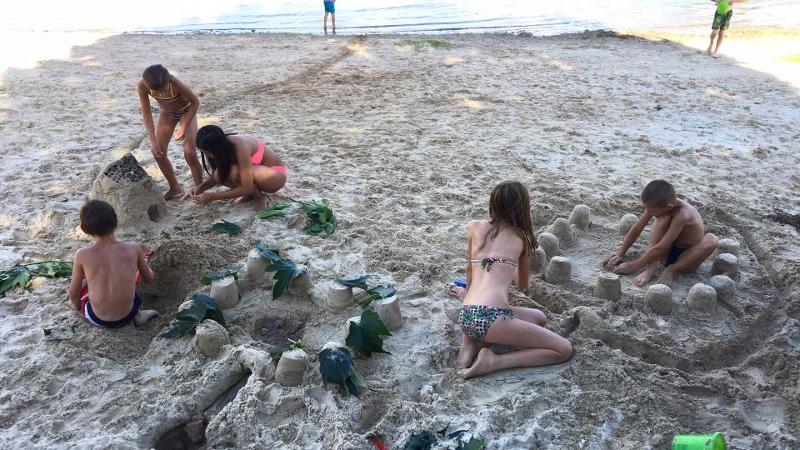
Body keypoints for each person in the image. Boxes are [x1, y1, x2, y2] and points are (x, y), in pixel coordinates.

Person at [456, 181, 573, 379]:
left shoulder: (474, 227)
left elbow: (470, 271)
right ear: (522, 210)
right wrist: (507, 265)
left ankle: (471, 344)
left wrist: (466, 293)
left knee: (538, 317)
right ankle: (495, 362)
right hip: (492, 317)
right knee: (564, 349)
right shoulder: (522, 238)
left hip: (466, 315)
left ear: (493, 204)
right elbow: (522, 285)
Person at [606, 180, 718, 286]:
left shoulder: (683, 214)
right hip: (664, 254)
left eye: (652, 211)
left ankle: (672, 270)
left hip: (686, 259)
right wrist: (621, 253)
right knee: (662, 219)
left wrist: (633, 266)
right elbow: (637, 228)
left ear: (669, 207)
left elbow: (661, 247)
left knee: (711, 239)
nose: (649, 213)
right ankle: (651, 267)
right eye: (646, 209)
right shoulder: (658, 205)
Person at [68, 200, 158, 328]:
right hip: (128, 315)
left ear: (84, 229)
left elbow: (73, 293)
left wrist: (77, 306)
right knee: (131, 285)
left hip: (97, 319)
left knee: (84, 283)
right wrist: (145, 263)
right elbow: (149, 278)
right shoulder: (134, 248)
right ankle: (139, 315)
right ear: (116, 222)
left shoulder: (82, 255)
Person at [137, 64, 203, 200]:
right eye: (157, 91)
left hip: (187, 111)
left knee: (189, 152)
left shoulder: (175, 83)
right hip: (167, 114)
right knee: (158, 153)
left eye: (163, 90)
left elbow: (195, 103)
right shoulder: (143, 86)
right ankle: (174, 188)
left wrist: (184, 126)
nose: (161, 94)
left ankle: (200, 189)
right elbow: (146, 112)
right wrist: (153, 141)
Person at [185, 125, 288, 211]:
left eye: (210, 153)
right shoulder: (215, 148)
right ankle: (252, 195)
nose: (208, 156)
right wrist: (198, 189)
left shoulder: (239, 145)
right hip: (258, 173)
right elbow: (215, 178)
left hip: (276, 176)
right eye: (204, 152)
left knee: (234, 172)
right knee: (220, 174)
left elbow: (246, 187)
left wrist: (212, 196)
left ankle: (260, 198)